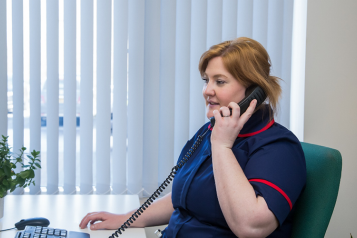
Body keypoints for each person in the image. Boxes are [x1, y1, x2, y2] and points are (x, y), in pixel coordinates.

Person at [79, 37, 306, 238]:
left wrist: (222, 147)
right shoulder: (211, 131)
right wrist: (127, 218)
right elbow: (186, 196)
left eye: (220, 81)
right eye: (206, 80)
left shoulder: (278, 148)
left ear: (254, 90)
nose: (207, 90)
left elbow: (251, 227)